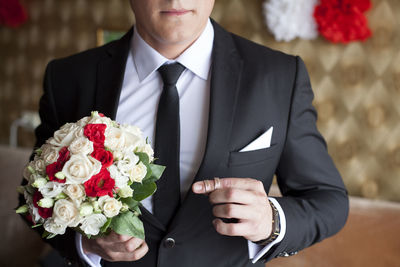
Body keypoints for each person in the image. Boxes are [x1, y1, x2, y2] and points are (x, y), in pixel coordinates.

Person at [24, 0, 349, 266]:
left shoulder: (278, 76)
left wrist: (271, 221)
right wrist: (86, 242)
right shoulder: (68, 78)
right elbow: (34, 198)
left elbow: (328, 200)